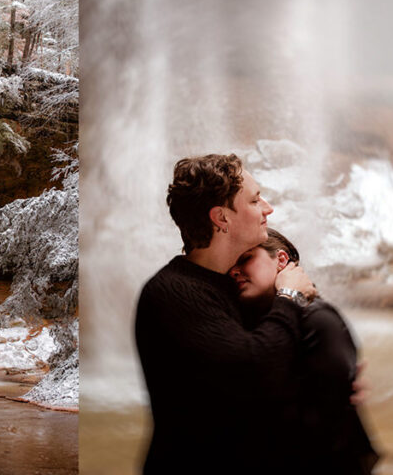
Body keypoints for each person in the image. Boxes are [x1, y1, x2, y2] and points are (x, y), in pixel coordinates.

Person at [134, 153, 316, 474]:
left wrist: (333, 371)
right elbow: (254, 368)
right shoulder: (170, 294)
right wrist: (290, 296)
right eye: (255, 200)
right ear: (221, 217)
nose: (268, 209)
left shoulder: (232, 285)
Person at [228, 228, 379, 474]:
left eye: (245, 258)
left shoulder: (317, 318)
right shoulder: (254, 320)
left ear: (281, 260)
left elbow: (331, 419)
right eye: (231, 265)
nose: (234, 270)